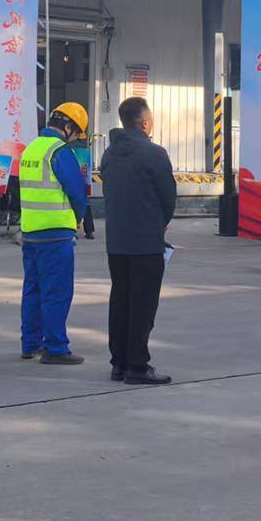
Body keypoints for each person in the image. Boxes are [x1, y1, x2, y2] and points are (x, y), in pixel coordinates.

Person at [99, 96, 177, 385]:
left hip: (117, 242)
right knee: (142, 305)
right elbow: (168, 197)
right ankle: (137, 365)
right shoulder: (154, 153)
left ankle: (118, 363)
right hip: (145, 241)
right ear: (144, 123)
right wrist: (159, 222)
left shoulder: (109, 154)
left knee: (120, 300)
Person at [18, 102, 89, 365]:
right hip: (56, 232)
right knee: (56, 292)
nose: (75, 139)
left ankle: (30, 344)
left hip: (30, 231)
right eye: (76, 134)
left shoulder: (31, 148)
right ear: (68, 127)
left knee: (33, 290)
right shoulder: (59, 151)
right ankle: (56, 348)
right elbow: (77, 192)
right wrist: (79, 217)